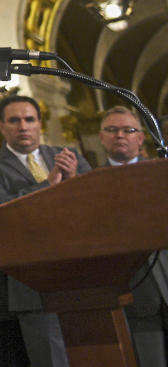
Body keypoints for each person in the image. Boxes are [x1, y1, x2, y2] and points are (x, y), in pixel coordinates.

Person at [0, 95, 91, 367]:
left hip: (85, 276)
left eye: (29, 119)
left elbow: (95, 204)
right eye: (14, 120)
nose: (23, 126)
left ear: (40, 123)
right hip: (33, 284)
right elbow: (0, 212)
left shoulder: (69, 158)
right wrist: (48, 185)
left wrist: (72, 181)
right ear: (2, 127)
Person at [98, 106, 168, 367]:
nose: (120, 135)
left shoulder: (162, 173)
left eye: (128, 130)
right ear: (101, 137)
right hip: (136, 292)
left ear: (141, 138)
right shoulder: (89, 184)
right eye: (112, 130)